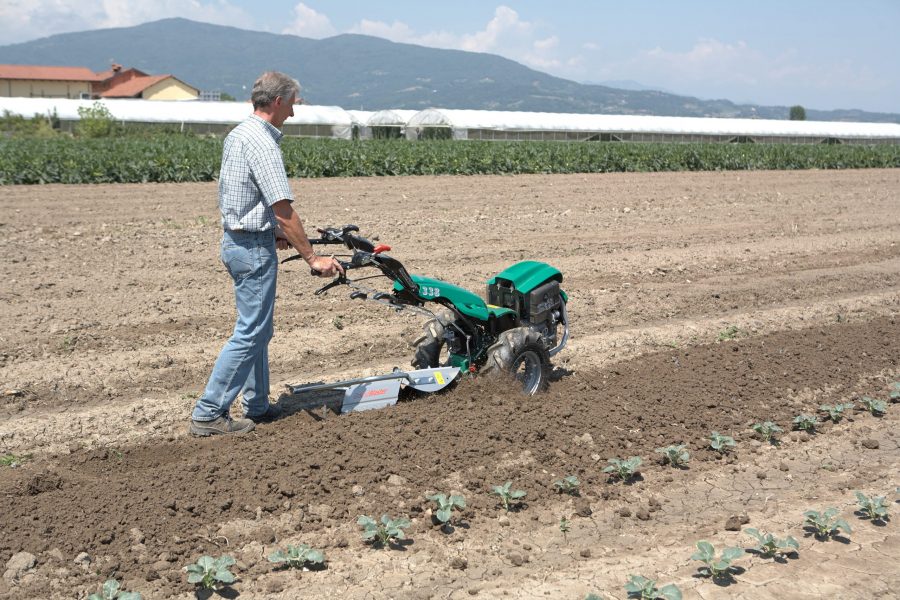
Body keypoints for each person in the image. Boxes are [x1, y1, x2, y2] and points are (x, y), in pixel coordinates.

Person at [190, 71, 343, 436]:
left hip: (237, 240)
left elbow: (244, 196)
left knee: (258, 330)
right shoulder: (262, 142)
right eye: (291, 104)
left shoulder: (238, 134)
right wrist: (313, 258)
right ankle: (209, 411)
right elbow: (282, 208)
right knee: (251, 331)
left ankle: (257, 406)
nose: (292, 112)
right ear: (277, 102)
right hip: (251, 248)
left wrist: (272, 231)